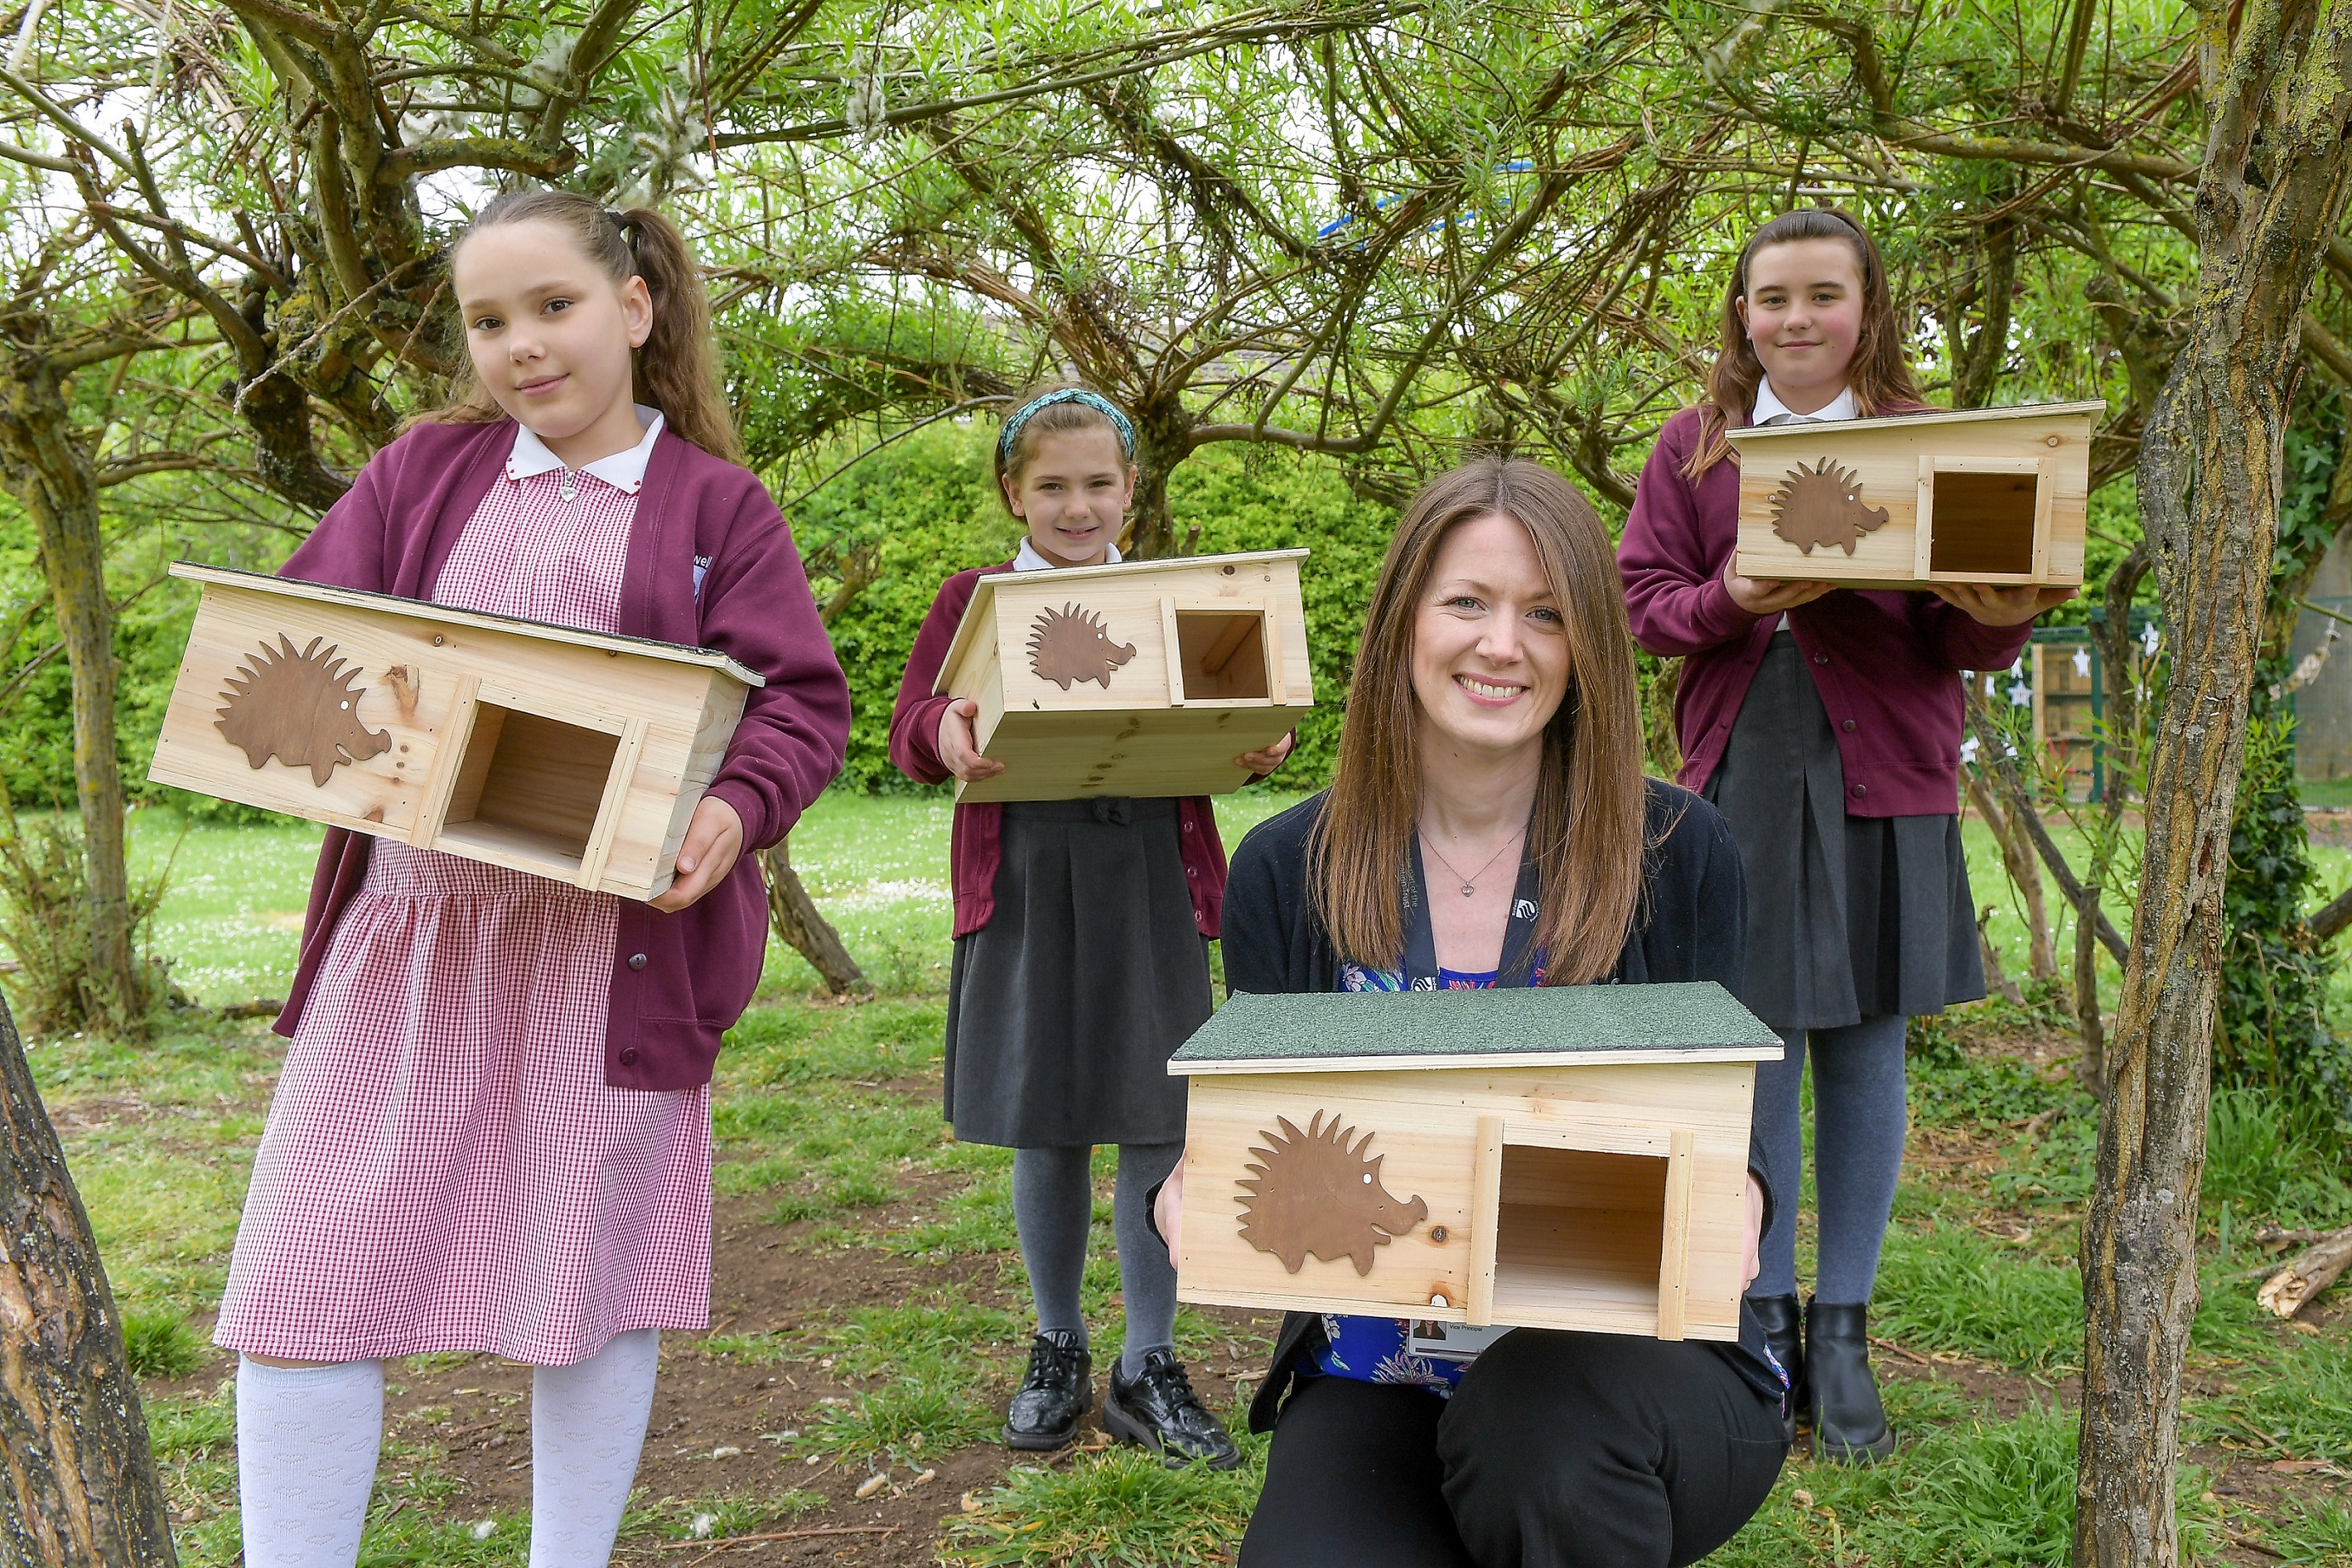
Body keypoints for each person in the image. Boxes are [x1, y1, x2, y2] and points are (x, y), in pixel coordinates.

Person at [214, 191, 850, 1567]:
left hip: (608, 965)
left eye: (551, 307)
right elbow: (306, 642)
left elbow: (801, 705)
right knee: (303, 1274)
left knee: (586, 1280)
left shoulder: (715, 508)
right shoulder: (421, 475)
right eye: (488, 321)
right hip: (412, 939)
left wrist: (733, 813)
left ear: (633, 307)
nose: (521, 346)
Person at [1156, 458, 1788, 1568]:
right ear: (1406, 619)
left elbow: (1736, 1129)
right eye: (1468, 602)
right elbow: (1268, 1125)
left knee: (1539, 1434)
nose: (1503, 644)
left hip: (1632, 1361)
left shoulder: (1680, 853)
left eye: (1545, 613)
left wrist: (1740, 1194)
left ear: (1587, 641)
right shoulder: (1285, 868)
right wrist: (1192, 1187)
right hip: (1378, 1360)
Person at [1616, 207, 2070, 1460]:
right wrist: (1737, 597)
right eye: (1773, 298)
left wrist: (2004, 612)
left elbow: (1961, 634)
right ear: (1742, 315)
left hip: (1888, 778)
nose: (1797, 319)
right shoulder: (1695, 449)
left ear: (1867, 309)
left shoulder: (1928, 448)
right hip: (1740, 776)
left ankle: (1848, 1327)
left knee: (1867, 1047)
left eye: (1824, 295)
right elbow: (1644, 602)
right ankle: (1760, 1310)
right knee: (1753, 1049)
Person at [887, 385, 1293, 1468]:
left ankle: (1146, 1364)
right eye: (1053, 486)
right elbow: (909, 731)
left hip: (1151, 875)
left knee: (1158, 1121)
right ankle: (1058, 1341)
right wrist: (948, 727)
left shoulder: (1169, 594)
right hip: (1024, 881)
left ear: (1130, 489)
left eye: (1098, 484)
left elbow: (1237, 702)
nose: (1077, 507)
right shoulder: (972, 600)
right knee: (1047, 1118)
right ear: (1014, 492)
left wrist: (1258, 741)